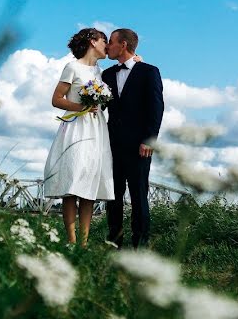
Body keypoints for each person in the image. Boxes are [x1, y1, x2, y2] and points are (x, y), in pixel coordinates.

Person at [43, 28, 115, 246]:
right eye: (104, 41)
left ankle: (83, 243)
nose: (107, 46)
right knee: (72, 181)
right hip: (76, 125)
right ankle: (72, 241)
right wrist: (81, 106)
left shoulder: (101, 72)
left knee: (89, 185)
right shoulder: (72, 67)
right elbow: (56, 99)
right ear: (93, 42)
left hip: (96, 129)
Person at [102, 28, 164, 250]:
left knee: (139, 195)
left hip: (140, 146)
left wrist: (149, 140)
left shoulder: (149, 72)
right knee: (113, 195)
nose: (108, 46)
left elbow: (156, 108)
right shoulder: (106, 75)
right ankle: (114, 242)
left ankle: (140, 245)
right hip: (111, 145)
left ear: (124, 45)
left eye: (111, 42)